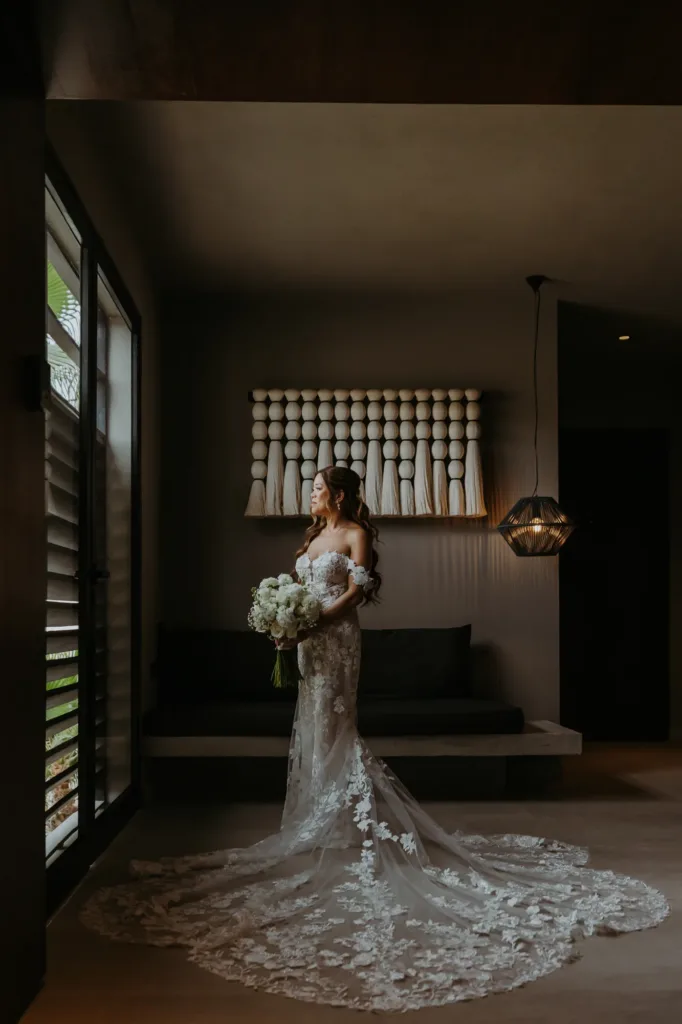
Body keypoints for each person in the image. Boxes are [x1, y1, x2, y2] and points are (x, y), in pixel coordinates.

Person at [81, 466, 668, 1012]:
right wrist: (285, 626)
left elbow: (357, 593)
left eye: (316, 489)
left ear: (338, 494)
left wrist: (313, 621)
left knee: (336, 725)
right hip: (309, 644)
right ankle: (323, 816)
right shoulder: (310, 538)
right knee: (312, 728)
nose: (310, 496)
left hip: (337, 644)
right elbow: (300, 592)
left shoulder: (355, 533)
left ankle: (346, 821)